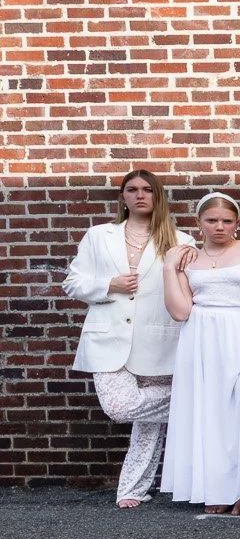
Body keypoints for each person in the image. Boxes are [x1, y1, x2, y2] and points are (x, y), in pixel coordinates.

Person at [62, 169, 193, 506]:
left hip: (161, 339)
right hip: (107, 339)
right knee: (120, 408)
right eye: (132, 189)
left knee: (148, 427)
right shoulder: (99, 236)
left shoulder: (181, 241)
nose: (139, 195)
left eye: (147, 189)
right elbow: (72, 283)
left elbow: (193, 291)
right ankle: (193, 402)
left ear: (158, 195)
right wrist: (109, 286)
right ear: (122, 197)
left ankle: (132, 490)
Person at [160, 191, 240, 514]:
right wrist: (169, 267)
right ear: (199, 223)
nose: (219, 226)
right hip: (201, 341)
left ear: (237, 223)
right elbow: (180, 311)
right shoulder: (189, 259)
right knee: (211, 413)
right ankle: (215, 487)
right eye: (211, 220)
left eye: (226, 221)